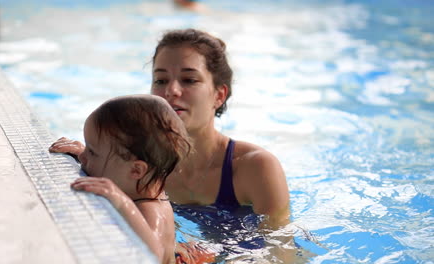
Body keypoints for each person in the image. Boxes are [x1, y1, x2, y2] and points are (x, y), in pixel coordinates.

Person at [50, 28, 290, 229]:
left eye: (189, 80)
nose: (171, 91)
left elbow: (280, 252)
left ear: (219, 95)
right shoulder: (134, 162)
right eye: (161, 80)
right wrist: (92, 155)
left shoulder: (255, 167)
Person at [66, 95, 192, 264]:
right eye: (87, 147)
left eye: (93, 152)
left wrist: (122, 203)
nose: (83, 157)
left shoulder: (150, 210)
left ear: (136, 170)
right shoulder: (142, 185)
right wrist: (83, 152)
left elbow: (154, 255)